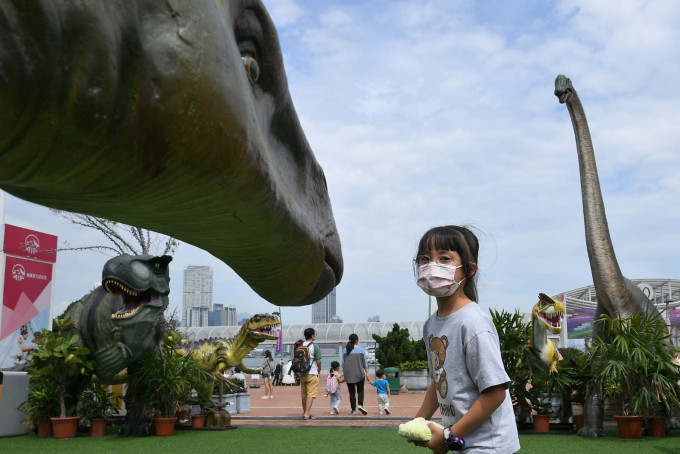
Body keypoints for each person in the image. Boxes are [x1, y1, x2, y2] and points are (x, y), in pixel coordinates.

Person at [411, 225, 520, 453]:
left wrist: (448, 436)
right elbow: (439, 379)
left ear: (469, 269)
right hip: (463, 441)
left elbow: (496, 392)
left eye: (444, 258)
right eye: (424, 258)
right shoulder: (432, 324)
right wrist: (418, 420)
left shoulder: (473, 323)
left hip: (489, 445)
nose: (432, 265)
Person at [342, 333, 370, 415]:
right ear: (357, 341)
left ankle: (353, 410)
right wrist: (367, 373)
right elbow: (365, 364)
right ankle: (360, 405)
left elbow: (343, 365)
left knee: (351, 392)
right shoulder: (361, 350)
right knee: (360, 391)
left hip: (349, 375)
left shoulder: (345, 350)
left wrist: (344, 375)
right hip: (359, 374)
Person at [299, 327, 322, 420]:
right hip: (312, 372)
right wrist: (319, 369)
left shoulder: (300, 345)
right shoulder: (314, 346)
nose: (315, 336)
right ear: (312, 335)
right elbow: (318, 361)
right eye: (314, 334)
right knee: (311, 394)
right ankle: (306, 414)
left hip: (302, 373)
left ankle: (305, 412)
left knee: (304, 394)